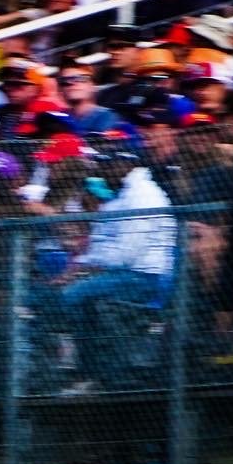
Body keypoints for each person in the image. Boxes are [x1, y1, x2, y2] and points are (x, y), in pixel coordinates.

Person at [35, 148, 175, 392]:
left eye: (108, 165)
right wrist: (79, 267)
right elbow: (100, 249)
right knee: (51, 296)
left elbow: (124, 255)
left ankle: (88, 373)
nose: (102, 170)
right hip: (117, 275)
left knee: (71, 296)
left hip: (144, 277)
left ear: (125, 164)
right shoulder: (119, 196)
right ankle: (81, 371)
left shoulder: (143, 196)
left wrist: (84, 269)